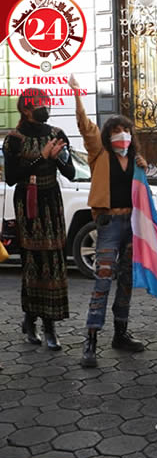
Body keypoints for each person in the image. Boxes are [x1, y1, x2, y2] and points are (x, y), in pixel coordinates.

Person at [69, 74, 147, 368]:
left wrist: (142, 167)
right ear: (107, 135)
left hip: (132, 224)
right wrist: (77, 94)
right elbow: (84, 125)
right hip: (109, 224)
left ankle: (120, 333)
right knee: (103, 279)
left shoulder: (136, 158)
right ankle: (90, 340)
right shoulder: (99, 153)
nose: (122, 135)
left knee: (126, 279)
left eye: (125, 130)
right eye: (116, 131)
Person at [2, 88, 74, 351]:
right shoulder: (14, 139)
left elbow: (71, 172)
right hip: (29, 204)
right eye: (39, 103)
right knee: (33, 262)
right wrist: (40, 159)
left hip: (51, 200)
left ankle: (50, 326)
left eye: (46, 102)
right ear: (25, 108)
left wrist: (56, 159)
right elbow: (11, 178)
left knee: (54, 261)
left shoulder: (57, 134)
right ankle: (31, 319)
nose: (45, 106)